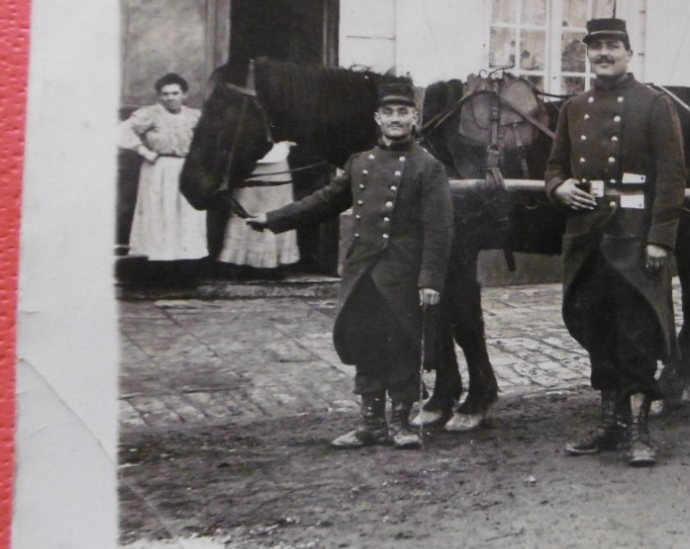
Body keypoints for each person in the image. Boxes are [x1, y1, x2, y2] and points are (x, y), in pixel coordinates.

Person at [249, 77, 453, 450]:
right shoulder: (361, 162)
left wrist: (430, 280)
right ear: (377, 118)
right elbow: (324, 201)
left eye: (403, 112)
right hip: (362, 273)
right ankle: (370, 424)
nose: (395, 119)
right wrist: (273, 219)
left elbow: (439, 230)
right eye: (388, 112)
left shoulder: (428, 167)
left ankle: (400, 423)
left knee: (403, 347)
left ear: (414, 116)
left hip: (402, 276)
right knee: (366, 343)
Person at [546, 17, 686, 467]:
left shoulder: (654, 105)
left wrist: (660, 239)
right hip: (587, 236)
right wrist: (559, 188)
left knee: (637, 331)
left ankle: (639, 430)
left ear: (629, 51)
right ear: (588, 55)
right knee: (597, 329)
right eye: (596, 47)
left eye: (612, 45)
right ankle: (610, 424)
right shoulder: (574, 107)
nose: (604, 54)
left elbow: (671, 178)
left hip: (634, 236)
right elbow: (554, 167)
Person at [118, 73, 209, 266]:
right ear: (159, 96)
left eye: (175, 93)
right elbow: (121, 131)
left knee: (187, 214)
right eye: (165, 94)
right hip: (158, 168)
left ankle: (185, 264)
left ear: (184, 95)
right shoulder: (150, 114)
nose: (170, 98)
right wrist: (143, 150)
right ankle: (160, 265)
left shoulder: (195, 115)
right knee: (159, 212)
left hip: (187, 169)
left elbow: (209, 140)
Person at [217, 140, 300, 276]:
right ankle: (241, 262)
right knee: (245, 207)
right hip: (247, 161)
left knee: (275, 209)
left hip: (277, 161)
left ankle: (272, 263)